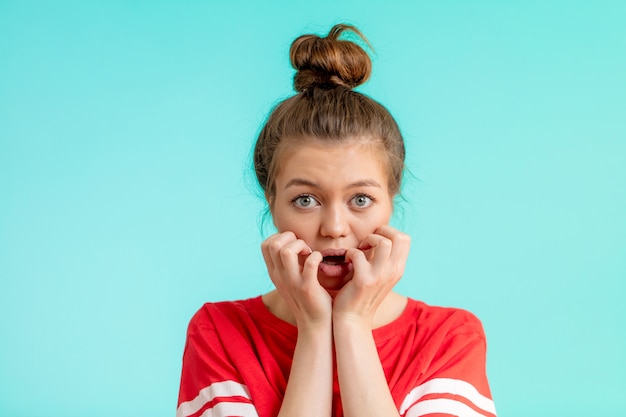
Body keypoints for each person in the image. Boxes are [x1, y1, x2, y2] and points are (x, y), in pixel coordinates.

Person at [176, 24, 496, 417]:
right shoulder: (218, 332)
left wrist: (351, 322)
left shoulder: (450, 338)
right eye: (305, 199)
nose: (334, 227)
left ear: (391, 201)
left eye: (360, 199)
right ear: (271, 201)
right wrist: (314, 329)